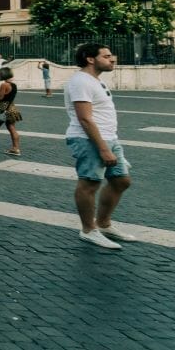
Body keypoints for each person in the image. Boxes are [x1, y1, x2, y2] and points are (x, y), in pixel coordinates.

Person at [64, 43, 135, 249]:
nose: (113, 59)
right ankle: (88, 230)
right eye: (107, 56)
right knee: (89, 184)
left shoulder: (95, 81)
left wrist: (110, 144)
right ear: (90, 59)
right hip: (88, 140)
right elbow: (84, 119)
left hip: (108, 138)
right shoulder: (80, 82)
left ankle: (103, 224)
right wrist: (103, 148)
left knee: (121, 181)